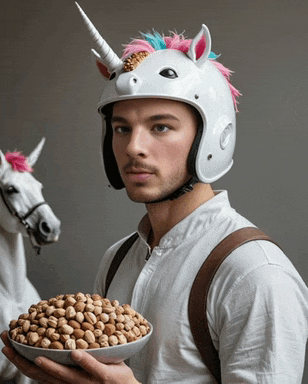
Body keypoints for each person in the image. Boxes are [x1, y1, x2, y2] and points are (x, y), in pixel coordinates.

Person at [2, 3, 308, 383]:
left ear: (212, 137)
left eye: (160, 127)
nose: (133, 147)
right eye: (121, 128)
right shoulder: (118, 258)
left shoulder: (255, 274)